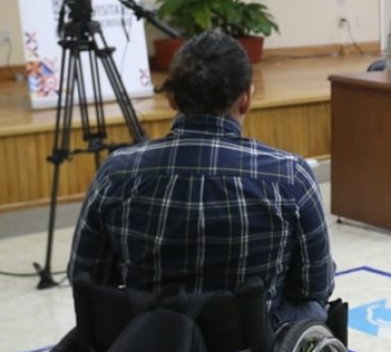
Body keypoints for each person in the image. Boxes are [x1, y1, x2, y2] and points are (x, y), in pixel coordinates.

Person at [67, 30, 334, 328]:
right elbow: (314, 285)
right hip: (249, 347)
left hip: (144, 343)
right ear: (246, 98)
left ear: (171, 97)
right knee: (313, 307)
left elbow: (86, 276)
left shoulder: (116, 171)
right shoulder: (289, 175)